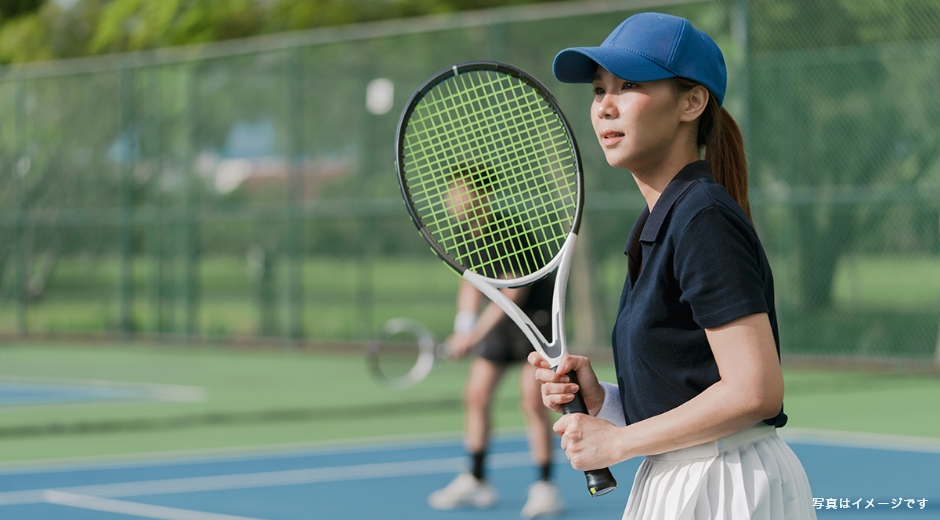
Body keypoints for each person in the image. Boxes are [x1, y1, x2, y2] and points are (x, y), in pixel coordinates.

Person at [528, 12, 817, 519]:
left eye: (630, 85)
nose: (605, 107)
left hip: (725, 484)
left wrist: (618, 444)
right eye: (599, 91)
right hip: (688, 474)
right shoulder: (665, 219)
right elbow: (694, 386)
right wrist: (605, 403)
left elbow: (756, 390)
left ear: (692, 102)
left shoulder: (701, 216)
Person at [427, 163, 564, 518]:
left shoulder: (508, 229)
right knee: (476, 395)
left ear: (478, 194)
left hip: (534, 319)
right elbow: (470, 283)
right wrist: (463, 326)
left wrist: (474, 335)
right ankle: (476, 479)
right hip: (500, 321)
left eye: (458, 189)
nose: (450, 197)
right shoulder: (464, 233)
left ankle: (545, 487)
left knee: (532, 403)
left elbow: (515, 289)